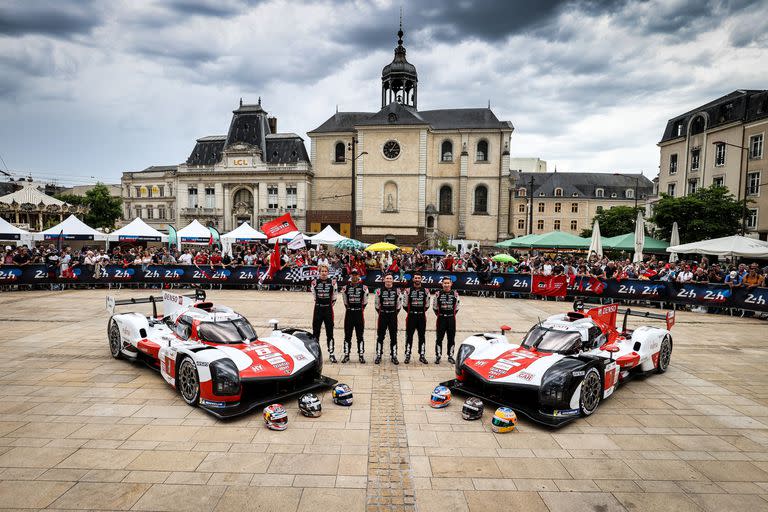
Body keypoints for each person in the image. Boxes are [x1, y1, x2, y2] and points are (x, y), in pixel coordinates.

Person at [311, 264, 337, 363]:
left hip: (328, 310)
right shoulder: (314, 283)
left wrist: (327, 305)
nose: (324, 273)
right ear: (319, 272)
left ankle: (331, 353)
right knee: (316, 332)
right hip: (318, 309)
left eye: (325, 271)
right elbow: (314, 296)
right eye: (322, 271)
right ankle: (315, 354)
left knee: (330, 333)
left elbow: (334, 297)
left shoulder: (333, 282)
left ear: (328, 272)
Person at [341, 268, 368, 364]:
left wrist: (359, 309)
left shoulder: (364, 288)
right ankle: (346, 354)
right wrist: (350, 308)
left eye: (356, 274)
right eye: (352, 274)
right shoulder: (345, 288)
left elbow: (365, 302)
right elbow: (345, 301)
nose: (354, 276)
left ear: (358, 276)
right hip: (349, 313)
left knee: (360, 336)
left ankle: (361, 355)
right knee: (347, 335)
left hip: (359, 314)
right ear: (350, 275)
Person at [403, 271, 430, 364]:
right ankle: (407, 355)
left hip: (421, 316)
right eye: (416, 278)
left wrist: (420, 311)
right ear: (413, 279)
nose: (417, 279)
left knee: (422, 336)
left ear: (421, 279)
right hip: (411, 316)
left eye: (419, 278)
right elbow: (404, 305)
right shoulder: (408, 290)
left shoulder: (426, 291)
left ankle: (422, 355)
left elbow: (427, 305)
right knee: (409, 336)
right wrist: (411, 312)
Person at [374, 273, 401, 365]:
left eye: (390, 278)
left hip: (393, 316)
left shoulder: (397, 291)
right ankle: (378, 355)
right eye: (387, 278)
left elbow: (399, 305)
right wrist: (382, 312)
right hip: (382, 315)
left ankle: (394, 355)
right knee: (380, 336)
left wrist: (393, 313)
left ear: (392, 280)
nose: (389, 280)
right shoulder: (378, 290)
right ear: (384, 280)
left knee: (393, 336)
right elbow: (377, 305)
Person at [433, 276, 460, 364]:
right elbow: (435, 307)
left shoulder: (455, 294)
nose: (446, 285)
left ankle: (450, 356)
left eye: (448, 283)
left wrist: (450, 315)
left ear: (451, 284)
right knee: (439, 338)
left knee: (451, 338)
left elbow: (457, 307)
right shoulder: (438, 294)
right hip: (441, 318)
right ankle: (438, 355)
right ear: (442, 284)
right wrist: (440, 315)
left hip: (451, 318)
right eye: (445, 283)